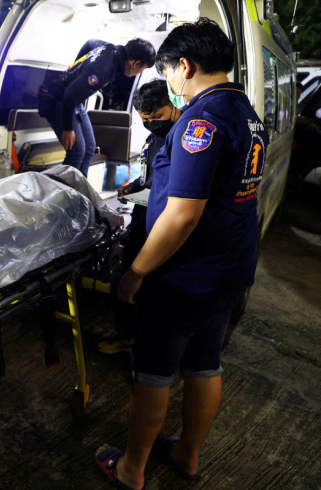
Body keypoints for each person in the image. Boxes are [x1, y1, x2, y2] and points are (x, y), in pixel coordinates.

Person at [95, 18, 269, 490]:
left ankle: (132, 469)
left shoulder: (200, 120)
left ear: (185, 66)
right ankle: (187, 456)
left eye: (169, 72)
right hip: (229, 268)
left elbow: (181, 216)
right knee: (205, 363)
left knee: (152, 371)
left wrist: (135, 272)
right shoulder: (246, 113)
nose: (169, 83)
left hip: (185, 276)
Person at [98, 79, 181, 355]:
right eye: (145, 119)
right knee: (124, 278)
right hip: (143, 217)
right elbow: (149, 176)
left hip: (164, 223)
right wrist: (133, 187)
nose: (151, 123)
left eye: (157, 116)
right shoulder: (153, 137)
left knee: (148, 285)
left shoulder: (183, 138)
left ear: (173, 105)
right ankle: (130, 336)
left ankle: (147, 346)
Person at [38, 38, 155, 177]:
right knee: (77, 152)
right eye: (142, 69)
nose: (139, 73)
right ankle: (59, 192)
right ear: (136, 64)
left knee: (89, 149)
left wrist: (77, 70)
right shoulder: (102, 71)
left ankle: (79, 192)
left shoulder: (110, 48)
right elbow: (69, 94)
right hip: (58, 100)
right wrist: (68, 128)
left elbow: (89, 42)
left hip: (75, 102)